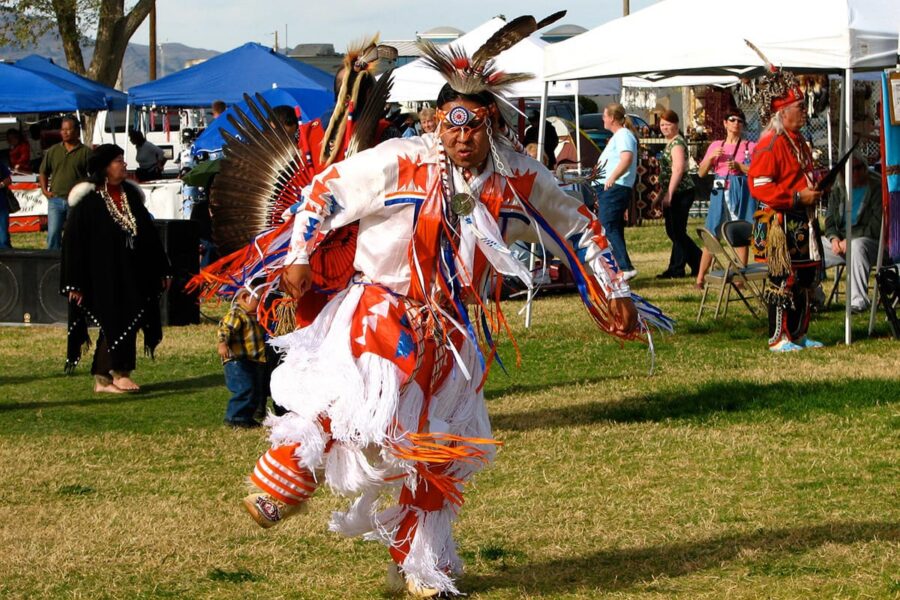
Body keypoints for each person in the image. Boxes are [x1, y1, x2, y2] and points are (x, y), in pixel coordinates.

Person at [238, 19, 671, 597]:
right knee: (356, 401)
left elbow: (578, 225)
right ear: (436, 120)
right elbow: (326, 191)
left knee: (438, 450)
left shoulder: (515, 177)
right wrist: (300, 251)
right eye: (453, 122)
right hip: (381, 306)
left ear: (493, 125)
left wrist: (611, 288)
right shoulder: (400, 160)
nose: (464, 136)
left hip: (454, 329)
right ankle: (281, 484)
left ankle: (418, 567)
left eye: (477, 124)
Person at [60, 144, 171, 391]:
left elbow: (149, 236)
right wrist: (73, 283)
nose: (124, 164)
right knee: (113, 320)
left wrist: (162, 269)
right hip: (101, 275)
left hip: (132, 272)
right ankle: (118, 373)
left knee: (127, 318)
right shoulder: (88, 203)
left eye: (123, 160)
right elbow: (73, 245)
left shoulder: (130, 196)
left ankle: (105, 378)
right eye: (118, 161)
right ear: (104, 168)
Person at [748, 60, 825, 351]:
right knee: (784, 278)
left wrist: (817, 184)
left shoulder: (799, 141)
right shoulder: (771, 143)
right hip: (780, 219)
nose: (805, 112)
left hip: (801, 219)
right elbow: (760, 185)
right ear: (783, 112)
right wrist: (796, 197)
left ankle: (799, 333)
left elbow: (803, 174)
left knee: (805, 277)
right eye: (800, 107)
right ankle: (778, 338)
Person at [695, 108, 757, 288]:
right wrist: (711, 158)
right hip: (719, 191)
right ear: (725, 123)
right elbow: (701, 173)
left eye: (739, 121)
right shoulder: (716, 145)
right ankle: (700, 278)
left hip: (740, 190)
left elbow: (757, 171)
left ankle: (740, 278)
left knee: (740, 232)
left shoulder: (749, 147)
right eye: (732, 119)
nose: (735, 123)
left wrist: (739, 166)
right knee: (711, 233)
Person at [823, 152, 883, 313]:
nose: (855, 172)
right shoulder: (839, 189)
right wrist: (834, 238)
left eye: (859, 168)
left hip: (871, 243)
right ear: (842, 172)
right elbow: (829, 221)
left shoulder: (877, 187)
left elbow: (876, 226)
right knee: (813, 246)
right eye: (851, 169)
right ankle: (813, 297)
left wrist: (849, 240)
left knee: (857, 245)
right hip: (841, 242)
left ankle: (858, 302)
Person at [655, 109, 701, 279]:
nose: (665, 128)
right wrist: (661, 195)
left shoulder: (677, 143)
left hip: (681, 192)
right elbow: (667, 174)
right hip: (674, 191)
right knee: (675, 231)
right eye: (662, 125)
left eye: (668, 124)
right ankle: (696, 261)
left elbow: (678, 169)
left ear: (676, 125)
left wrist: (670, 194)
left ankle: (678, 268)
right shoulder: (670, 143)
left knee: (677, 231)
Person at [595, 102, 639, 281]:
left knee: (608, 225)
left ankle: (626, 267)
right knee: (613, 226)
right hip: (610, 188)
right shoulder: (618, 135)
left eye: (605, 116)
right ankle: (618, 267)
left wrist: (612, 177)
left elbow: (626, 158)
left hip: (615, 187)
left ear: (612, 118)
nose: (603, 119)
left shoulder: (623, 134)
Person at [218, 285, 268, 428]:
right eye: (259, 300)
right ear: (245, 297)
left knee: (254, 390)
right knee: (244, 388)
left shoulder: (253, 316)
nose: (261, 303)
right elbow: (225, 329)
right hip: (237, 361)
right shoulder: (237, 314)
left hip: (251, 360)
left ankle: (246, 417)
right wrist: (222, 344)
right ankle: (235, 418)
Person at [39, 116, 90, 250]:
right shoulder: (53, 150)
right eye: (62, 129)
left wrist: (86, 191)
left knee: (75, 235)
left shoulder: (86, 152)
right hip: (55, 199)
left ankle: (74, 262)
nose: (64, 132)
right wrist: (44, 190)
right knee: (53, 235)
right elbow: (43, 172)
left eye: (68, 129)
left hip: (76, 201)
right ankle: (52, 265)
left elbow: (95, 175)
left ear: (76, 131)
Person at [0, 161, 12, 249]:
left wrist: (1, 184)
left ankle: (5, 259)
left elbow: (8, 179)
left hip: (1, 205)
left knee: (3, 238)